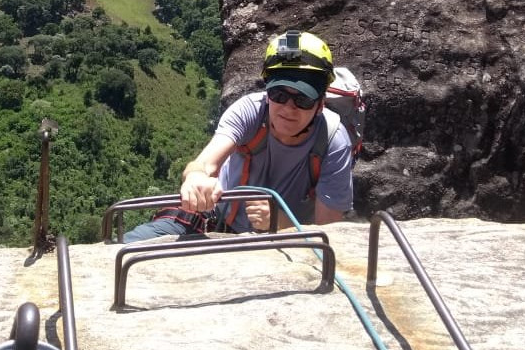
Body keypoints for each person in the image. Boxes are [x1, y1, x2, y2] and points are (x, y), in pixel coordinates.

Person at [123, 30, 353, 242]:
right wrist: (195, 179)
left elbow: (328, 235)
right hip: (214, 218)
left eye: (303, 99)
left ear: (321, 104)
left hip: (281, 239)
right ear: (267, 93)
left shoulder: (333, 141)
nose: (288, 108)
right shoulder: (250, 111)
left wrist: (279, 221)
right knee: (128, 245)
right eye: (279, 94)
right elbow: (204, 164)